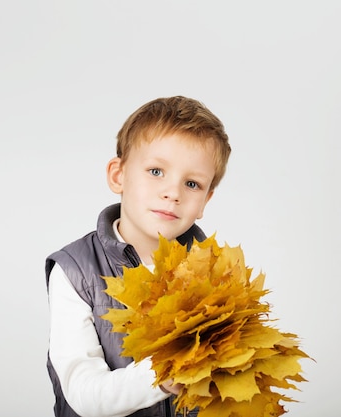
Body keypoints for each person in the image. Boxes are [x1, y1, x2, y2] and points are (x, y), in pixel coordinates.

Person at [45, 96, 232, 417]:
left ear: (205, 200)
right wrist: (161, 375)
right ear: (118, 175)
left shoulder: (216, 272)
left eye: (192, 183)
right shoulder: (75, 271)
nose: (173, 192)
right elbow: (82, 391)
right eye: (156, 171)